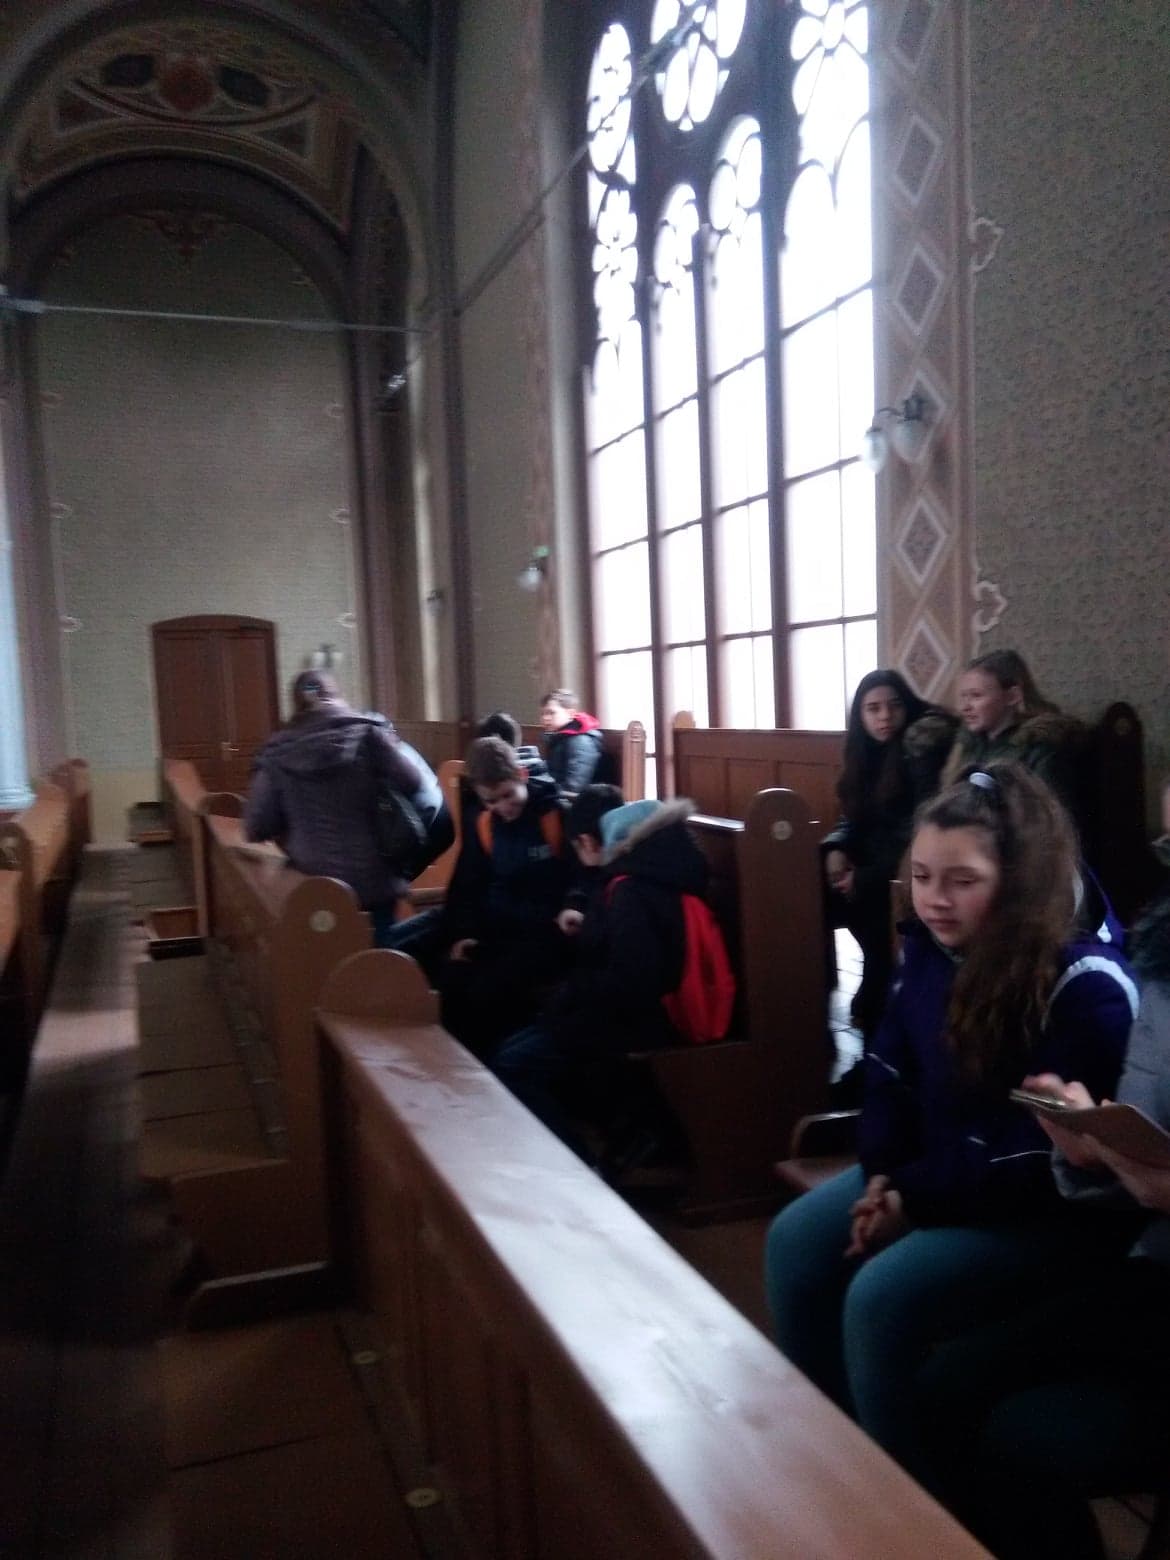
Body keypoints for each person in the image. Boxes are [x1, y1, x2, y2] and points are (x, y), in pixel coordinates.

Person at [763, 763, 1137, 1491]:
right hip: (936, 1176)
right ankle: (831, 1465)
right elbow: (889, 1072)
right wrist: (881, 1173)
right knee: (795, 1242)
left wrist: (913, 1201)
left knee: (881, 1297)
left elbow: (1034, 1152)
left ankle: (909, 1505)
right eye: (922, 876)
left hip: (1046, 1212)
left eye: (962, 881)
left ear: (1017, 879)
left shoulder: (1084, 982)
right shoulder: (931, 952)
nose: (934, 898)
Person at [911, 787, 1170, 1560]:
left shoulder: (1093, 978)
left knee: (1020, 1430)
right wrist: (1091, 1148)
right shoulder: (1161, 959)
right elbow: (1142, 1142)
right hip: (1152, 1267)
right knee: (948, 1387)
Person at [491, 792, 710, 1162]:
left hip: (638, 1020)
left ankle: (577, 1165)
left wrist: (572, 991)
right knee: (513, 1048)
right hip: (629, 1010)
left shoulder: (631, 890)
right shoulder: (655, 872)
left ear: (595, 843)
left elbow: (632, 980)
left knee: (512, 1065)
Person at [391, 735, 573, 1055]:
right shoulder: (484, 823)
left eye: (508, 795)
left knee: (484, 990)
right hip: (497, 926)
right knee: (439, 969)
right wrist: (463, 933)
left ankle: (483, 1067)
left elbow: (578, 876)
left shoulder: (555, 816)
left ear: (522, 775)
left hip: (545, 932)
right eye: (491, 801)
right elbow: (468, 884)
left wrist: (571, 907)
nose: (502, 807)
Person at [243, 671, 423, 945]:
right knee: (382, 952)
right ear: (336, 694)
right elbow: (412, 781)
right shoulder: (368, 734)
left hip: (312, 880)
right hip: (376, 876)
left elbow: (257, 825)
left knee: (328, 954)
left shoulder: (278, 752)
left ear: (296, 703)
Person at [823, 670, 956, 1037]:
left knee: (873, 909)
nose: (885, 716)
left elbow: (919, 829)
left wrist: (865, 876)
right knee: (809, 890)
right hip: (869, 859)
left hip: (905, 865)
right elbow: (851, 815)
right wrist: (835, 846)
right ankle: (812, 999)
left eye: (894, 706)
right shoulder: (863, 753)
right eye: (873, 708)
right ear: (860, 715)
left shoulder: (920, 749)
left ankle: (880, 1004)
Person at [940, 649, 1089, 830]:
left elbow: (1050, 822)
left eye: (976, 695)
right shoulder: (968, 744)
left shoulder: (1042, 748)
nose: (965, 707)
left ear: (1012, 696)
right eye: (964, 696)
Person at [540, 688, 606, 794]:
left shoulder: (582, 741)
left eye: (551, 713)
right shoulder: (559, 737)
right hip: (558, 794)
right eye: (543, 713)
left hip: (579, 800)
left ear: (570, 714)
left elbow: (574, 787)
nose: (545, 718)